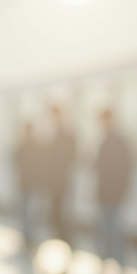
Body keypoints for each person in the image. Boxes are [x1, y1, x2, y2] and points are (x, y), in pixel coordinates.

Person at [94, 110, 133, 274]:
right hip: (105, 193)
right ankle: (106, 267)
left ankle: (118, 267)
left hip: (113, 194)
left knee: (113, 231)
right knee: (105, 230)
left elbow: (126, 167)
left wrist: (123, 191)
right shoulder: (106, 141)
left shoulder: (118, 142)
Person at [45, 105, 77, 245]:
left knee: (61, 213)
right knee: (56, 213)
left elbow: (69, 156)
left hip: (61, 180)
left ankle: (65, 243)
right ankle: (61, 241)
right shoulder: (53, 134)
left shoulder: (65, 134)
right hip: (55, 181)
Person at [13, 122, 45, 251]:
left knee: (25, 213)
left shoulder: (22, 144)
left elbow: (15, 160)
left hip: (25, 183)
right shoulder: (38, 145)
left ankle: (27, 238)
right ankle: (32, 238)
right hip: (35, 184)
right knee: (33, 213)